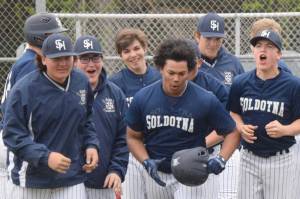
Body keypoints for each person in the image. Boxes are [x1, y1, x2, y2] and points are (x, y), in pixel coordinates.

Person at [126, 38, 240, 199]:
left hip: (192, 174)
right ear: (160, 68)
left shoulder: (205, 99)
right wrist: (145, 160)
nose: (176, 79)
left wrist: (221, 159)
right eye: (171, 73)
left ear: (191, 71)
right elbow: (132, 136)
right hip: (158, 172)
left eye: (181, 74)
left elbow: (232, 132)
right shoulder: (143, 98)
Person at [2, 33, 99, 199]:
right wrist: (45, 156)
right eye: (56, 58)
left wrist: (91, 144)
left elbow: (87, 119)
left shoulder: (81, 82)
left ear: (73, 59)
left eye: (66, 57)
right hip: (31, 180)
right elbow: (12, 135)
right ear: (43, 59)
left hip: (71, 178)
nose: (62, 63)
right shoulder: (24, 90)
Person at [0, 12, 68, 199]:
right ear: (40, 38)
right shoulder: (32, 64)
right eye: (53, 34)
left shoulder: (28, 60)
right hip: (15, 139)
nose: (58, 39)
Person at [227, 29, 300, 199]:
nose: (262, 50)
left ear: (278, 54)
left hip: (280, 160)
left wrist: (286, 129)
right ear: (253, 51)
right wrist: (240, 126)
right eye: (258, 45)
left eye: (269, 46)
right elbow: (234, 113)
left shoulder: (293, 85)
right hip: (248, 158)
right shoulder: (240, 82)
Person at [194, 12, 244, 199]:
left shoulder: (233, 64)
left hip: (225, 147)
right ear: (197, 36)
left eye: (218, 39)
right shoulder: (189, 63)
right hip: (192, 148)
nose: (213, 43)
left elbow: (238, 109)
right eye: (208, 38)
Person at [74, 35, 129, 199]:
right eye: (84, 58)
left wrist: (116, 170)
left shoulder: (115, 93)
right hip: (71, 182)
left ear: (102, 60)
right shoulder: (66, 92)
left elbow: (123, 137)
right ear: (74, 62)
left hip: (105, 182)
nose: (91, 64)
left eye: (95, 57)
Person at [109, 28, 161, 199]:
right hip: (129, 155)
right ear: (120, 55)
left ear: (145, 48)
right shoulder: (114, 84)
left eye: (136, 48)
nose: (133, 55)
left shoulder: (161, 78)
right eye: (126, 51)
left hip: (157, 151)